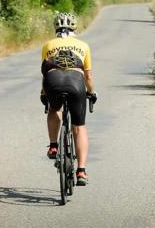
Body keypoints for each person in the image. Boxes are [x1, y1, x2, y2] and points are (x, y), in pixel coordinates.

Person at [40, 12, 97, 186]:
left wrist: (44, 93)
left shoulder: (48, 45)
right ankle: (81, 171)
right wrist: (91, 92)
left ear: (56, 28)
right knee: (79, 127)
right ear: (75, 28)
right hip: (76, 83)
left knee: (54, 109)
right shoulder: (83, 46)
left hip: (53, 82)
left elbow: (45, 72)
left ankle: (53, 145)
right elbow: (88, 76)